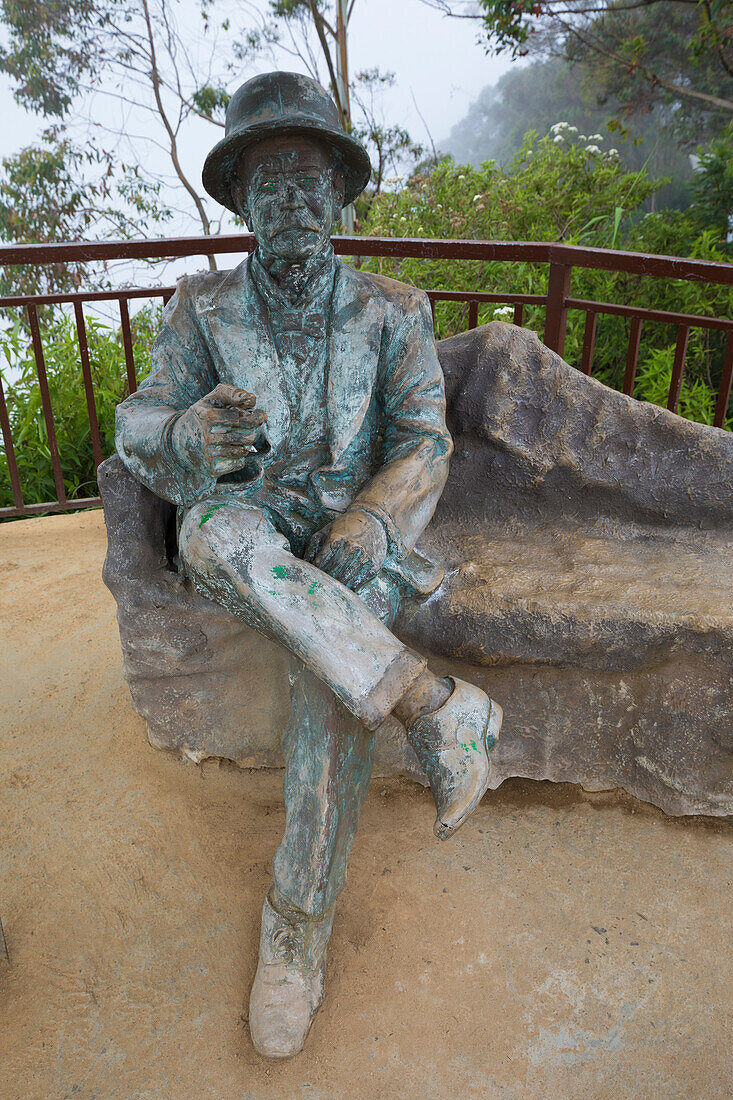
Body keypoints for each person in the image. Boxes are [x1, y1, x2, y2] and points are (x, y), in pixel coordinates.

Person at [115, 70, 502, 1059]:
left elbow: (425, 437)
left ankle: (297, 923)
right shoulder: (201, 308)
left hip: (347, 539)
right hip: (242, 525)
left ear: (337, 193)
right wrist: (190, 434)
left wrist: (376, 517)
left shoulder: (391, 309)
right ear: (241, 200)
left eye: (306, 177)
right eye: (267, 179)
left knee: (331, 653)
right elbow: (138, 420)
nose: (288, 197)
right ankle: (432, 704)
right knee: (211, 533)